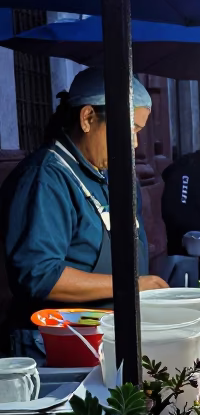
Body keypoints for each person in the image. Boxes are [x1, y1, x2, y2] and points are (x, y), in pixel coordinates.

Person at [0, 66, 167, 354]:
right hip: (53, 347)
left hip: (104, 339)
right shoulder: (46, 178)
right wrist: (131, 285)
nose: (136, 143)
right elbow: (39, 276)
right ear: (88, 118)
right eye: (131, 130)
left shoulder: (113, 174)